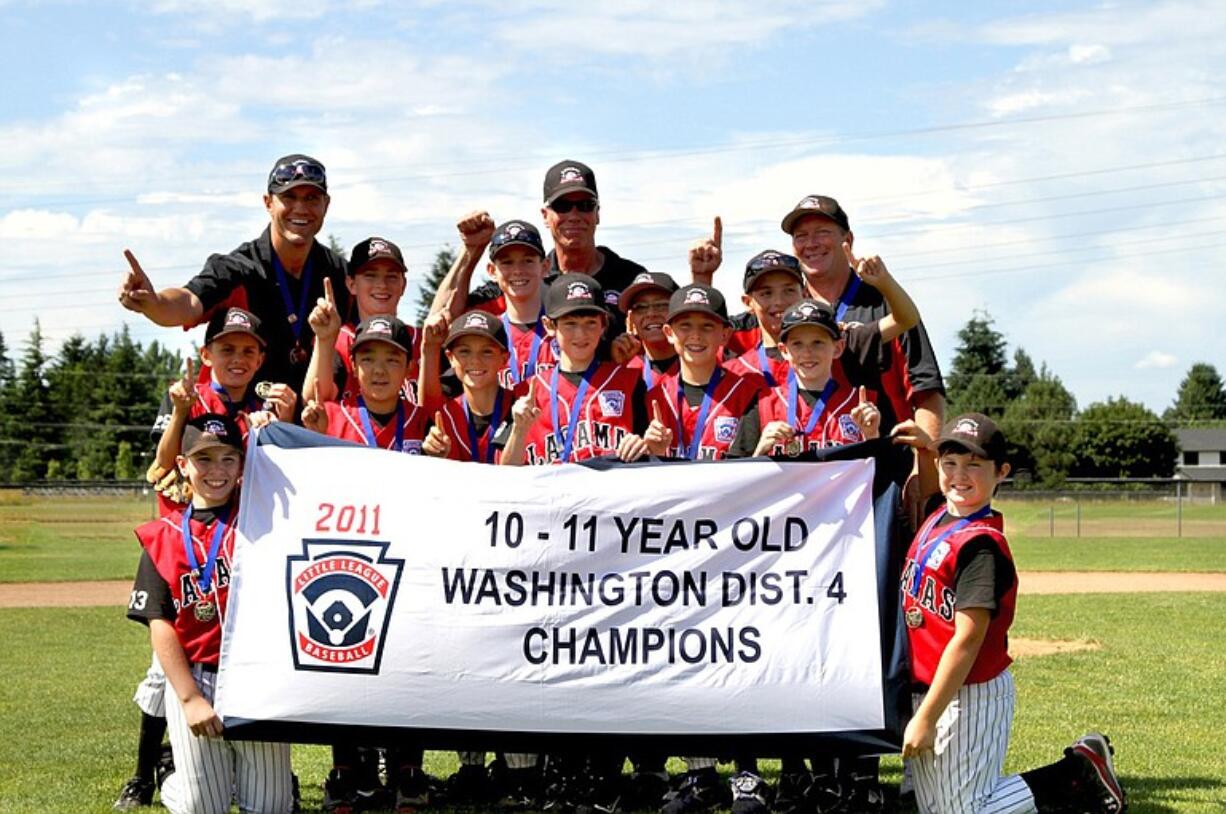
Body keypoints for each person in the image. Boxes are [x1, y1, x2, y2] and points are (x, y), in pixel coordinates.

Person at [891, 413, 1126, 814]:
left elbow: (967, 639)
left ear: (1001, 472)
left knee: (965, 811)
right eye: (951, 463)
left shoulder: (980, 547)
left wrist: (927, 717)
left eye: (974, 466)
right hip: (933, 689)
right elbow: (932, 482)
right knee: (935, 809)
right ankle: (1078, 774)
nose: (960, 476)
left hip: (968, 695)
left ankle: (1078, 775)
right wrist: (925, 448)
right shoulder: (939, 516)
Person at [126, 413, 294, 814]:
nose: (216, 470)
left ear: (243, 464)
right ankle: (171, 776)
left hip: (259, 676)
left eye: (228, 459)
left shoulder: (265, 522)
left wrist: (276, 423)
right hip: (197, 677)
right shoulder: (163, 535)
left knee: (271, 807)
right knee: (204, 808)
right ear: (183, 465)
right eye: (203, 459)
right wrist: (188, 698)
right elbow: (160, 624)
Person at [117, 154, 351, 392]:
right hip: (243, 422)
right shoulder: (237, 269)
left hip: (317, 420)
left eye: (312, 198)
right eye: (289, 197)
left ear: (326, 204)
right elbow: (187, 301)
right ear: (268, 203)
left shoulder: (340, 273)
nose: (300, 208)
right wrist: (153, 302)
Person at [499, 273, 650, 466]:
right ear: (549, 325)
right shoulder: (528, 391)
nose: (581, 334)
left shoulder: (629, 382)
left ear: (604, 324)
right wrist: (519, 431)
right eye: (570, 324)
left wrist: (643, 445)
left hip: (610, 493)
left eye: (590, 323)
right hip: (550, 495)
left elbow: (650, 449)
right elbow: (508, 473)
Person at [727, 300, 880, 459]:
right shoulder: (762, 404)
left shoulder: (859, 406)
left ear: (838, 348)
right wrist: (760, 451)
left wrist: (871, 436)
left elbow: (879, 477)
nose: (807, 353)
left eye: (817, 343)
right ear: (784, 350)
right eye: (797, 344)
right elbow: (738, 476)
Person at [642, 284, 762, 461]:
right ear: (669, 333)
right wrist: (654, 454)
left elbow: (745, 470)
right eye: (685, 326)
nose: (696, 335)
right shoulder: (654, 397)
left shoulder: (746, 395)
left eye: (707, 326)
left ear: (725, 335)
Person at [303, 236, 418, 405]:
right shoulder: (338, 340)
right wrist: (325, 339)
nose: (382, 285)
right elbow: (315, 401)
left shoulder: (422, 340)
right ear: (351, 284)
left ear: (403, 285)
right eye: (370, 275)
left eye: (391, 276)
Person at [301, 316, 425, 453]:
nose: (379, 370)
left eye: (392, 360)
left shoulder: (422, 421)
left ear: (409, 368)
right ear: (354, 366)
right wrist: (315, 437)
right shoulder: (328, 417)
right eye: (367, 359)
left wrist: (437, 454)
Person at [722, 251, 807, 390]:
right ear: (748, 302)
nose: (779, 301)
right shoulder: (736, 372)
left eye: (789, 290)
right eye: (766, 293)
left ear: (804, 294)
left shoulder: (827, 357)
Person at [618, 271, 681, 390]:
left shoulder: (700, 361)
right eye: (640, 307)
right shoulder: (627, 369)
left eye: (661, 305)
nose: (651, 314)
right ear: (631, 320)